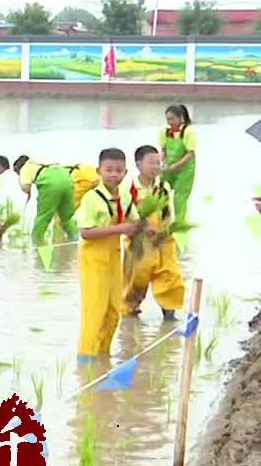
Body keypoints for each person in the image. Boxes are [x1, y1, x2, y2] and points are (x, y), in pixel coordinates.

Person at [76, 148, 145, 362]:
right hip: (94, 259)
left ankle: (102, 357)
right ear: (99, 171)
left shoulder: (125, 196)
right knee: (95, 311)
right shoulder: (92, 198)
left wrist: (146, 228)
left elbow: (133, 221)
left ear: (125, 173)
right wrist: (121, 229)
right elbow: (86, 233)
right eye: (109, 170)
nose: (114, 175)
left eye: (118, 170)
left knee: (114, 311)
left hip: (115, 257)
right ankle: (86, 360)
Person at [123, 145, 185, 321]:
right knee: (136, 281)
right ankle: (130, 320)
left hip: (163, 239)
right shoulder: (129, 189)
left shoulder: (163, 186)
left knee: (170, 276)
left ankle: (170, 317)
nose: (156, 167)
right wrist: (143, 228)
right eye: (151, 162)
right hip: (139, 242)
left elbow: (168, 213)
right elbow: (126, 215)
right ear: (139, 164)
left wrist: (166, 230)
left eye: (158, 163)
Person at [12, 156, 78, 245]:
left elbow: (26, 189)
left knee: (43, 218)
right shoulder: (38, 161)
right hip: (67, 178)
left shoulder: (24, 168)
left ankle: (36, 244)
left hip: (50, 182)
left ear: (18, 168)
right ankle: (76, 241)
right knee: (67, 217)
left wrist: (19, 180)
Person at [161, 104, 198, 226]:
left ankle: (179, 223)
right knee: (161, 192)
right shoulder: (164, 131)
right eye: (168, 119)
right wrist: (163, 163)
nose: (169, 122)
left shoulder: (188, 132)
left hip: (185, 169)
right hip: (169, 167)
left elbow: (190, 153)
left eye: (172, 119)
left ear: (180, 118)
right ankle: (163, 218)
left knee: (179, 197)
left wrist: (176, 166)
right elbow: (163, 149)